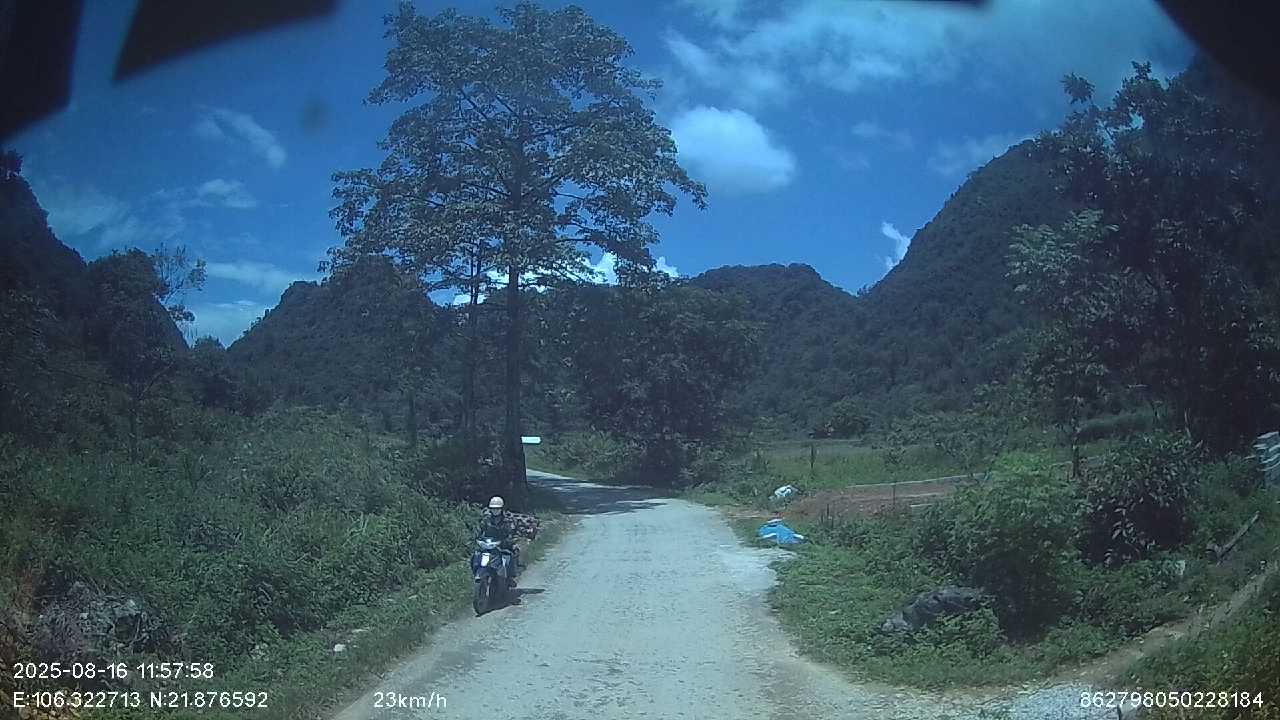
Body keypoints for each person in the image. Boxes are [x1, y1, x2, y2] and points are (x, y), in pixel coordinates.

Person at [477, 496, 520, 586]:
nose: (495, 510)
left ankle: (509, 577)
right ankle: (478, 572)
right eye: (493, 508)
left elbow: (512, 534)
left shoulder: (508, 521)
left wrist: (508, 541)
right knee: (476, 555)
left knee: (510, 555)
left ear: (501, 509)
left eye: (497, 508)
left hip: (503, 546)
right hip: (488, 545)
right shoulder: (486, 520)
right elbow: (480, 531)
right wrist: (478, 539)